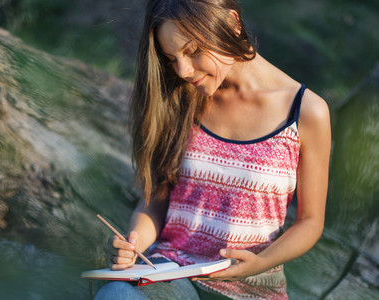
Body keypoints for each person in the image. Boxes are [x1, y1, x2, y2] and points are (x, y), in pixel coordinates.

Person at [94, 0, 331, 299]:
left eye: (193, 52)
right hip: (171, 273)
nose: (182, 70)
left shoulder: (306, 111)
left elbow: (310, 222)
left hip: (253, 286)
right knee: (118, 295)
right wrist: (133, 245)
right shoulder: (181, 97)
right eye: (171, 58)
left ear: (232, 23)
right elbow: (156, 201)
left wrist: (261, 262)